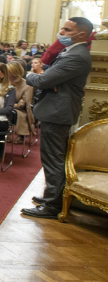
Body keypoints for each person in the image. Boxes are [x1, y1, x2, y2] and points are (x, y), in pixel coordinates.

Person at [22, 17, 93, 219]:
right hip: (55, 109)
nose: (61, 32)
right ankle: (50, 197)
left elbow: (44, 79)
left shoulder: (77, 55)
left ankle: (52, 206)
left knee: (53, 159)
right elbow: (49, 78)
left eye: (67, 29)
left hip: (57, 112)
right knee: (50, 157)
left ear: (81, 34)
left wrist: (29, 75)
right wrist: (47, 79)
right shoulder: (70, 51)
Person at [5, 60, 35, 143]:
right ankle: (1, 133)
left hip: (20, 109)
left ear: (15, 72)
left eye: (9, 72)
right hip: (3, 106)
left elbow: (23, 103)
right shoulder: (4, 82)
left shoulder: (27, 85)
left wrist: (8, 106)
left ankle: (19, 136)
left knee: (10, 112)